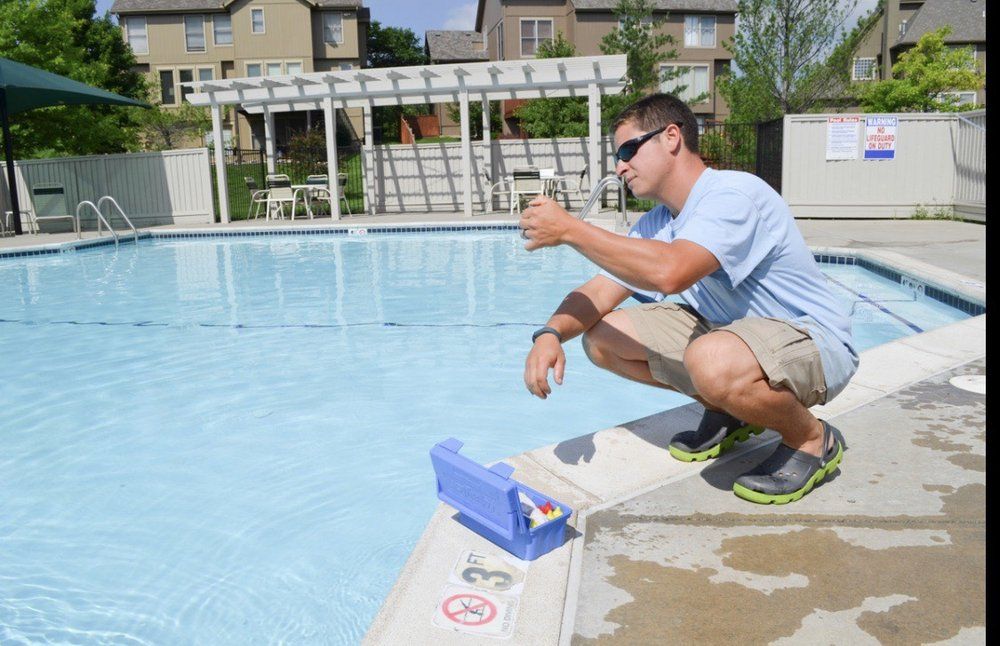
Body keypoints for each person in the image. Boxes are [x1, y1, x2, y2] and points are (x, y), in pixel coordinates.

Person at [519, 93, 858, 505]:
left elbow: (672, 271)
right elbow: (599, 291)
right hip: (733, 339)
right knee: (602, 339)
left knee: (710, 360)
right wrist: (550, 333)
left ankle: (811, 438)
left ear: (672, 137)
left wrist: (573, 230)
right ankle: (731, 410)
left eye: (628, 149)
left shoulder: (732, 196)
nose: (619, 165)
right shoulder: (657, 223)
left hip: (810, 341)